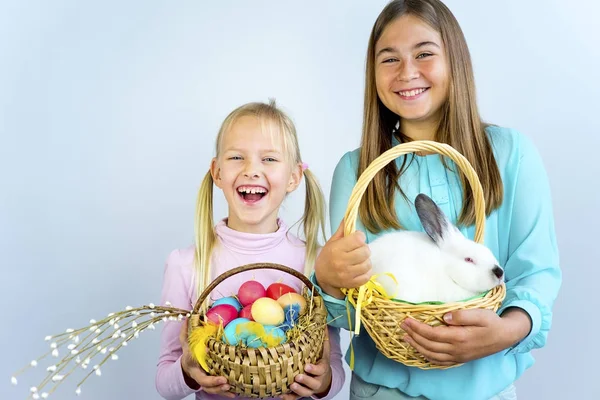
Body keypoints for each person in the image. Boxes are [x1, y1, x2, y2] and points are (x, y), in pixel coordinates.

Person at [311, 1, 562, 399]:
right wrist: (328, 279)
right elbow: (350, 314)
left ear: (455, 60)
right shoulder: (357, 169)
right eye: (389, 59)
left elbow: (538, 272)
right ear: (372, 74)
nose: (407, 72)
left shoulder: (511, 153)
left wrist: (505, 331)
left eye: (424, 53)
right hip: (382, 391)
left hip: (485, 389)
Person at [156, 100, 345, 400]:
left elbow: (332, 366)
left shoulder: (315, 263)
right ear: (217, 172)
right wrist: (188, 371)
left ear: (294, 177)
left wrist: (322, 382)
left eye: (269, 159)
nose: (251, 170)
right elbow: (164, 380)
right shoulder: (186, 264)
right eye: (236, 157)